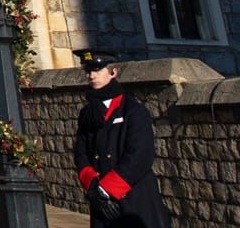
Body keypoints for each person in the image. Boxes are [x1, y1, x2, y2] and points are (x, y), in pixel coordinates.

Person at [73, 49, 171, 228]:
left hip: (132, 197)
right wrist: (94, 188)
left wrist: (106, 189)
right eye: (88, 71)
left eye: (97, 70)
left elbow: (140, 155)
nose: (91, 76)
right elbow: (81, 153)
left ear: (113, 72)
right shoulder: (87, 113)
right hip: (101, 202)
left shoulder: (132, 110)